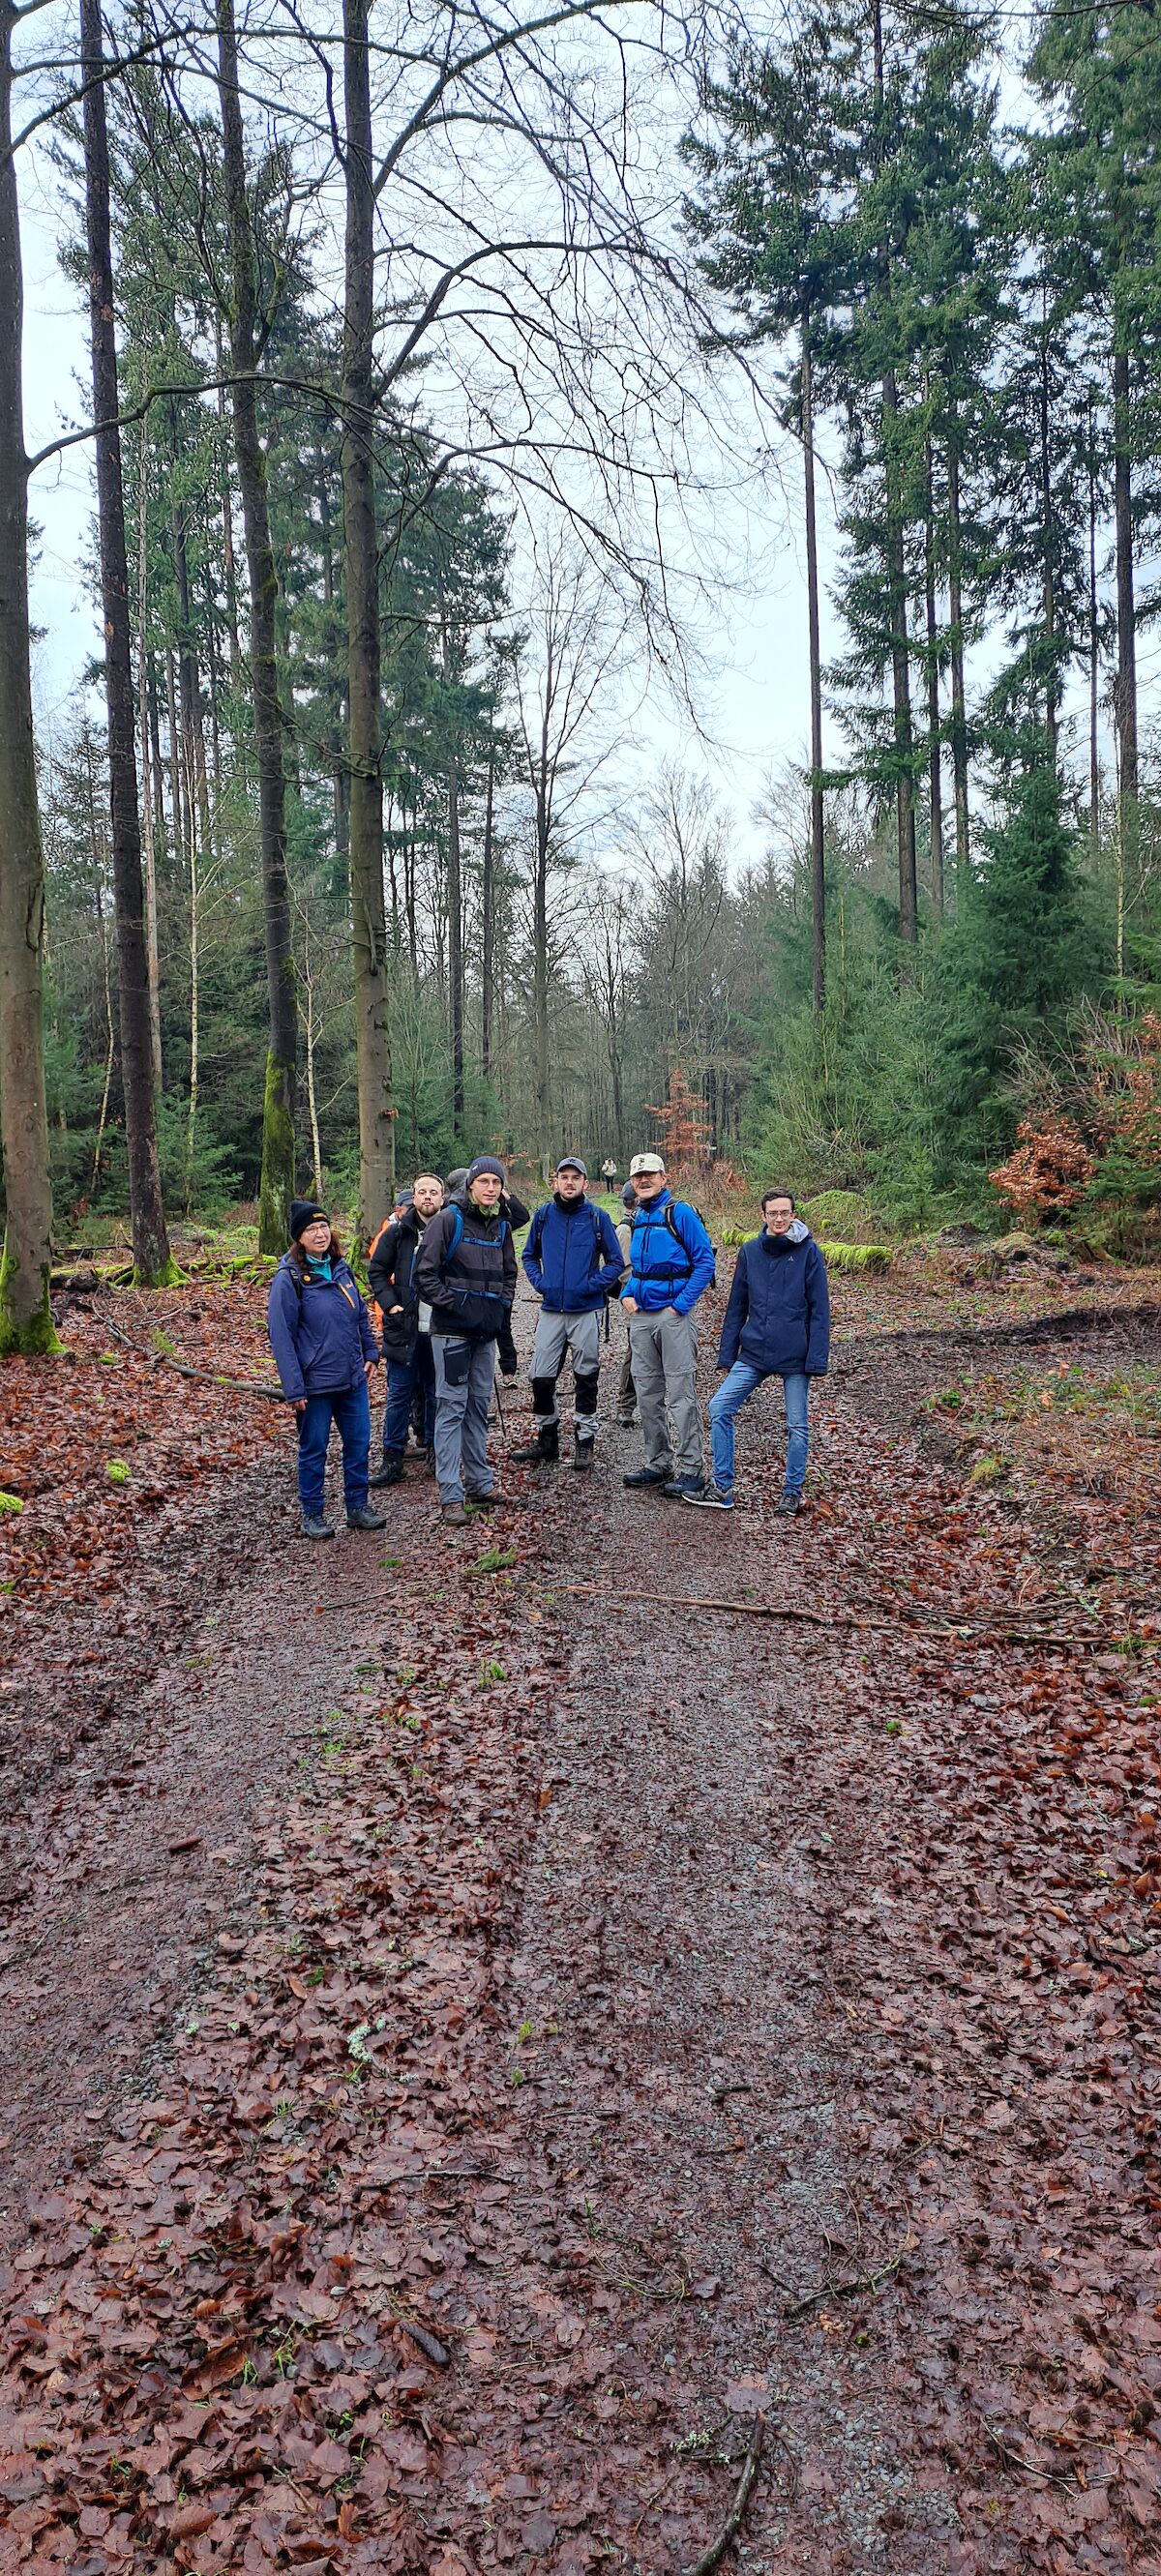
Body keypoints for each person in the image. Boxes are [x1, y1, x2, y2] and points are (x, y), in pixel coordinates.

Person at [690, 1189, 830, 1515]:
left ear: (793, 1215)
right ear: (763, 1216)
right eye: (773, 1213)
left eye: (785, 1212)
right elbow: (736, 1304)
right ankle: (722, 1486)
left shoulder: (809, 1252)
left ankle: (791, 1492)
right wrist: (728, 1354)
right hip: (754, 1351)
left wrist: (816, 1359)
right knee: (719, 1408)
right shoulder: (750, 1251)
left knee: (797, 1425)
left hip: (795, 1352)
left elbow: (820, 1309)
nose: (779, 1218)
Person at [267, 1199, 387, 1540]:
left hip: (352, 1378)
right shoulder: (289, 1279)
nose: (319, 1234)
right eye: (310, 1229)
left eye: (322, 1227)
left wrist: (370, 1352)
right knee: (314, 1448)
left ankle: (358, 1506)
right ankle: (312, 1513)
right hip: (315, 1384)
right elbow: (281, 1337)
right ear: (299, 1238)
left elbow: (360, 1314)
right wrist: (294, 1388)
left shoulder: (341, 1269)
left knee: (359, 1442)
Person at [415, 1156, 518, 1526]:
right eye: (484, 1181)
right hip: (452, 1335)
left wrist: (499, 1308)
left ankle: (479, 1482)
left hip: (485, 1336)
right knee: (451, 1409)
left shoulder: (501, 1226)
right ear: (470, 1185)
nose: (490, 1188)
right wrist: (457, 1305)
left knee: (477, 1408)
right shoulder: (448, 1220)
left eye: (496, 1182)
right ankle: (450, 1494)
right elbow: (423, 1276)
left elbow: (510, 1273)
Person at [512, 1156, 624, 1472]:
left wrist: (593, 1285)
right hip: (551, 1310)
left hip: (585, 1310)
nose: (570, 1182)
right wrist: (540, 1283)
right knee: (540, 1377)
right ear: (555, 1182)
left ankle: (584, 1441)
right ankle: (548, 1440)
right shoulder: (544, 1216)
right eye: (565, 1177)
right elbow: (529, 1255)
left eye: (576, 1177)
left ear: (585, 1183)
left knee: (586, 1376)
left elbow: (615, 1263)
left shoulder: (597, 1218)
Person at [621, 1152, 715, 1500]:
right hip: (642, 1316)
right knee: (647, 1394)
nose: (644, 1181)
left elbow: (704, 1262)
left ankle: (692, 1470)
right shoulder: (639, 1216)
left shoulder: (681, 1213)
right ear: (633, 1183)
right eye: (638, 1177)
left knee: (680, 1394)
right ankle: (658, 1463)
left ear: (664, 1177)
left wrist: (680, 1306)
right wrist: (627, 1293)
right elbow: (640, 1269)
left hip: (672, 1316)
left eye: (650, 1175)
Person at [367, 1172, 444, 1486]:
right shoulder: (398, 1234)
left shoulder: (452, 1231)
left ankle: (437, 1452)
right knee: (398, 1395)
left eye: (433, 1192)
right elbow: (377, 1271)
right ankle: (392, 1458)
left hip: (441, 1327)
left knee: (437, 1394)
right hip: (404, 1328)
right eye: (422, 1192)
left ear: (442, 1197)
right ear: (414, 1197)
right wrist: (390, 1304)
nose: (427, 1197)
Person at [614, 1182, 638, 1428]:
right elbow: (625, 1271)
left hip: (659, 1299)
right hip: (636, 1300)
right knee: (635, 1354)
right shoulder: (625, 1229)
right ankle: (625, 1406)